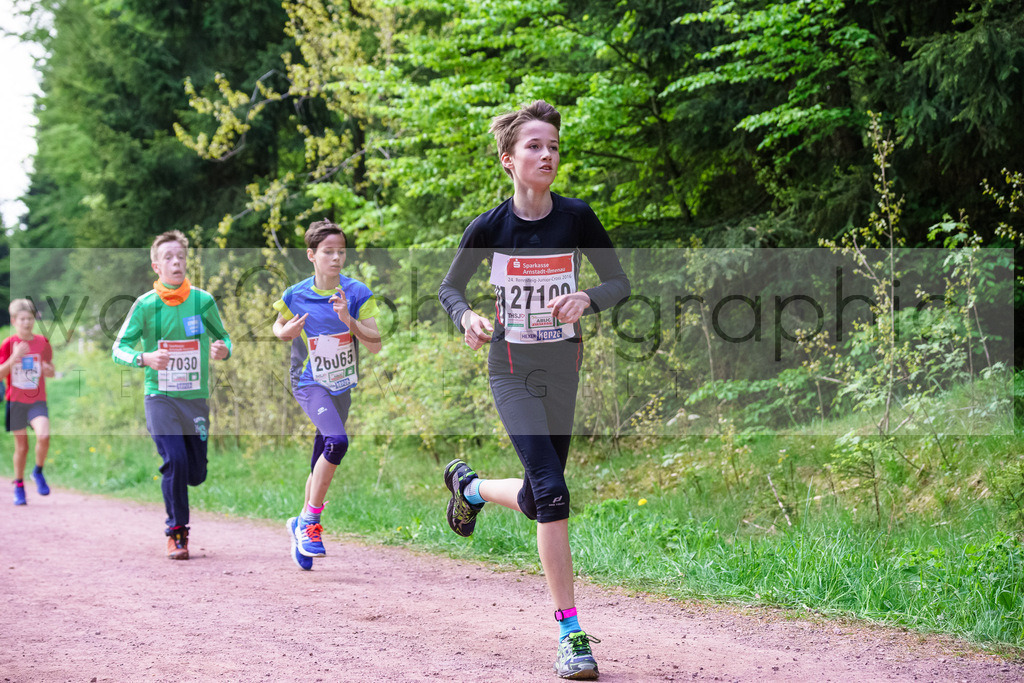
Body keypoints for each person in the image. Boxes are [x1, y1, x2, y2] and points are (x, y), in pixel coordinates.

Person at [438, 100, 630, 680]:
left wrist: (589, 299)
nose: (547, 155)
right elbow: (450, 290)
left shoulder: (576, 217)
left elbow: (620, 280)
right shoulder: (491, 227)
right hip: (512, 370)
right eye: (534, 147)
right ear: (508, 160)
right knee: (552, 492)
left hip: (562, 366)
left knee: (536, 499)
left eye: (553, 147)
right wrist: (467, 318)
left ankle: (469, 489)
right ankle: (571, 634)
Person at [112, 230, 232, 559]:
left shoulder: (203, 301)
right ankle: (177, 533)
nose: (175, 261)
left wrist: (222, 350)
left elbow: (225, 339)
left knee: (195, 473)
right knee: (174, 461)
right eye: (168, 257)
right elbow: (118, 348)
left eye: (180, 256)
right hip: (159, 396)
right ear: (156, 266)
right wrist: (144, 358)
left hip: (194, 398)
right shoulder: (145, 305)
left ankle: (182, 503)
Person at [272, 219, 382, 571]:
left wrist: (349, 320)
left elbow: (376, 344)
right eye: (328, 252)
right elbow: (278, 325)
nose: (336, 258)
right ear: (312, 255)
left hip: (342, 384)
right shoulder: (295, 294)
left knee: (322, 453)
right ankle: (309, 522)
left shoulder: (358, 292)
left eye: (341, 252)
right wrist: (283, 332)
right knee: (337, 442)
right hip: (308, 381)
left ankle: (299, 524)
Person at [1, 299, 55, 506]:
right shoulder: (8, 344)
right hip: (15, 401)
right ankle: (19, 485)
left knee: (44, 434)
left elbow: (50, 369)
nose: (27, 323)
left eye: (30, 319)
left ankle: (38, 471)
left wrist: (49, 369)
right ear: (14, 321)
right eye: (22, 319)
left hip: (37, 400)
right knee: (21, 447)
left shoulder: (42, 342)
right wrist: (14, 357)